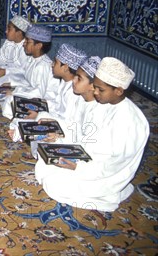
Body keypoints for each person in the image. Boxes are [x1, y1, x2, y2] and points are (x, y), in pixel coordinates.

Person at [35, 57, 149, 212]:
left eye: (100, 89)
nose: (95, 92)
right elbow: (86, 135)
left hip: (105, 176)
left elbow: (114, 164)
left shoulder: (130, 121)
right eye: (95, 87)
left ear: (119, 90)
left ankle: (111, 195)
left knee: (53, 183)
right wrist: (61, 136)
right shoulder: (106, 105)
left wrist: (78, 167)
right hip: (86, 159)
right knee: (44, 164)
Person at [0, 24, 60, 119]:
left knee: (10, 99)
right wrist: (12, 85)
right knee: (8, 95)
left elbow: (38, 93)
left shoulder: (43, 66)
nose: (24, 43)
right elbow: (27, 80)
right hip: (32, 93)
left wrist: (15, 92)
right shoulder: (32, 59)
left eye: (27, 41)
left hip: (46, 100)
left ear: (39, 45)